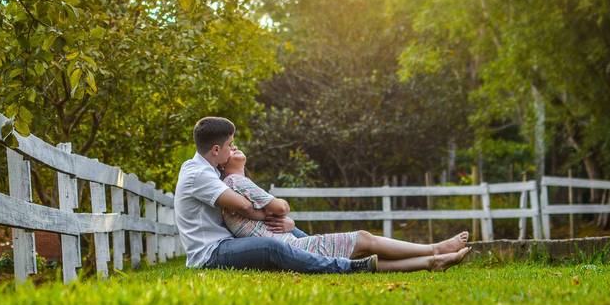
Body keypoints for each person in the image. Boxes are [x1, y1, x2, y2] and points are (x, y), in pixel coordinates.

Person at [174, 116, 373, 274]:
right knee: (271, 247)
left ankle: (329, 253)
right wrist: (272, 215)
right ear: (216, 149)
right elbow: (243, 206)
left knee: (288, 234)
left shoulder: (212, 170)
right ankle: (344, 266)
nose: (233, 148)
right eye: (230, 144)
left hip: (227, 241)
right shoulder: (198, 173)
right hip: (210, 253)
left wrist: (288, 223)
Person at [220, 148, 471, 273]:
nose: (236, 149)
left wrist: (287, 222)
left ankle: (432, 260)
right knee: (364, 239)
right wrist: (281, 215)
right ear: (222, 161)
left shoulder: (236, 184)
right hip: (293, 248)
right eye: (231, 148)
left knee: (362, 249)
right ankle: (434, 251)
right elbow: (281, 206)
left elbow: (272, 216)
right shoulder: (235, 182)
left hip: (290, 244)